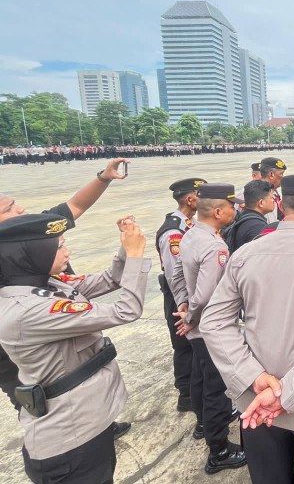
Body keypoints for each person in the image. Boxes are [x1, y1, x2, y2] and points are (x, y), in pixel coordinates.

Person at [200, 174, 294, 484]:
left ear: (281, 207)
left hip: (256, 403)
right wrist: (289, 392)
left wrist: (254, 377)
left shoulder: (245, 255)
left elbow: (213, 322)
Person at [0, 213, 150, 484]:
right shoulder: (27, 311)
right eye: (59, 247)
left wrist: (125, 247)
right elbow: (127, 310)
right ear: (32, 254)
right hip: (69, 441)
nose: (67, 251)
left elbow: (108, 280)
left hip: (87, 425)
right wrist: (136, 255)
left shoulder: (45, 284)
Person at [0, 156, 131, 433]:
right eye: (10, 208)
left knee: (79, 377)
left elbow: (74, 206)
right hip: (21, 346)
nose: (21, 209)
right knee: (36, 399)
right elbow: (126, 310)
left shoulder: (32, 233)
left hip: (61, 320)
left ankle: (98, 426)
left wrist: (103, 177)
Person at [171, 183, 246, 475]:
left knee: (202, 381)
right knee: (217, 391)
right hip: (211, 330)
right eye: (231, 206)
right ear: (217, 211)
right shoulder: (215, 246)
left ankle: (205, 426)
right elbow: (206, 295)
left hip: (196, 328)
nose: (235, 209)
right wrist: (190, 315)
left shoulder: (190, 234)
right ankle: (219, 451)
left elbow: (177, 274)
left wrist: (183, 306)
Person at [154, 177, 207, 413]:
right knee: (184, 345)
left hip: (189, 294)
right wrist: (184, 306)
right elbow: (176, 275)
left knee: (193, 345)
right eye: (201, 194)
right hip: (178, 297)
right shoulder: (173, 232)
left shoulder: (189, 225)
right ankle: (186, 395)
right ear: (190, 198)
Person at [226, 180, 275, 255]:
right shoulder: (257, 227)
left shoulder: (244, 218)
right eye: (271, 198)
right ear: (261, 203)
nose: (273, 201)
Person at [260, 157, 287, 223]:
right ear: (271, 175)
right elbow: (271, 225)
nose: (283, 177)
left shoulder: (273, 192)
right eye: (281, 174)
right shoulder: (264, 197)